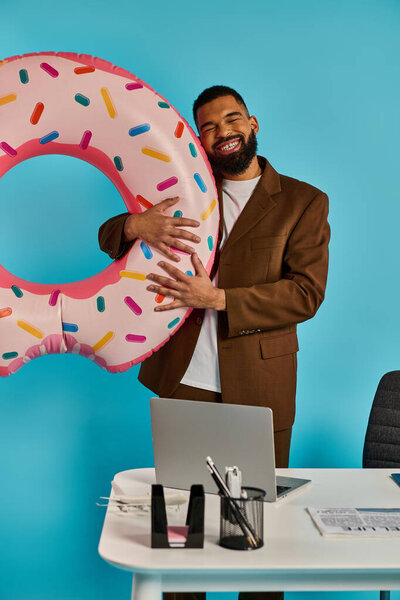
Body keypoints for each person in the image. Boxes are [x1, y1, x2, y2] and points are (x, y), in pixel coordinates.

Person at [99, 86, 330, 600]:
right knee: (182, 539)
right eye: (208, 126)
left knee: (256, 541)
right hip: (185, 383)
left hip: (260, 385)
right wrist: (137, 223)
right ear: (198, 139)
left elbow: (306, 293)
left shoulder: (303, 201)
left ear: (253, 123)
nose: (222, 132)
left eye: (231, 120)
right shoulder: (183, 192)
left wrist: (219, 297)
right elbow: (109, 234)